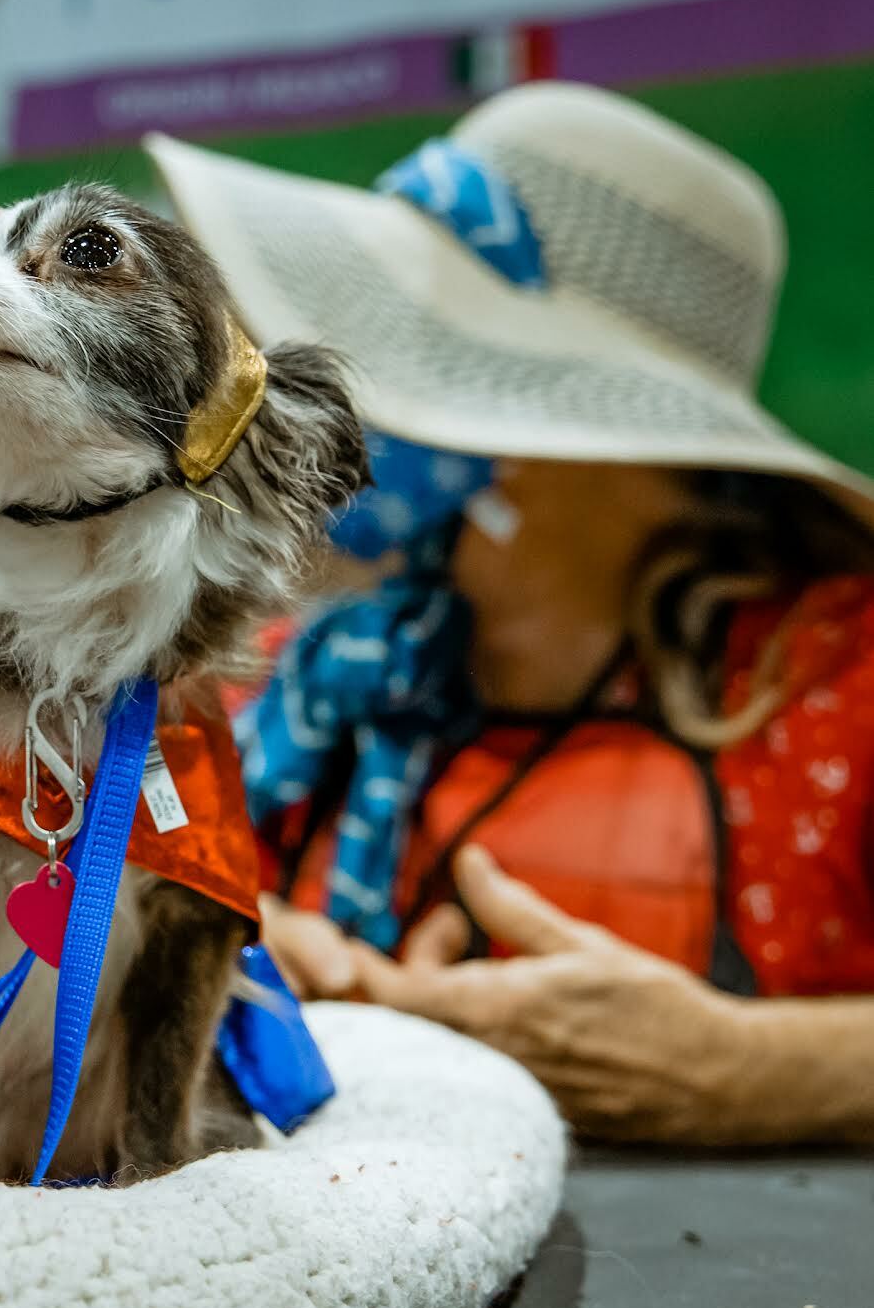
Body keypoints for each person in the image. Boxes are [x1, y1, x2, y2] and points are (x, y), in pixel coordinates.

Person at [144, 81, 874, 1146]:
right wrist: (216, 935)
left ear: (602, 442)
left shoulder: (838, 686)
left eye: (408, 356)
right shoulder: (296, 670)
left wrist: (751, 1066)